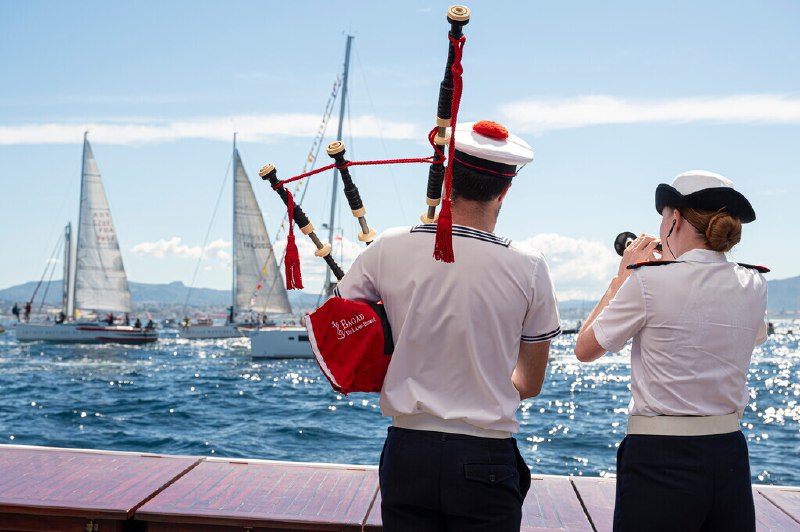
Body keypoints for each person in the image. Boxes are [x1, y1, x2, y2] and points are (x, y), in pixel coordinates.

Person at [334, 120, 561, 531]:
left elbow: (341, 321)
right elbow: (529, 383)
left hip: (408, 453)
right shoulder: (529, 266)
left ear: (447, 178)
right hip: (485, 458)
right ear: (505, 190)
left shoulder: (389, 246)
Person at [574, 170, 767, 532]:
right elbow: (750, 336)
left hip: (660, 455)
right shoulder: (754, 283)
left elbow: (584, 349)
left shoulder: (648, 281)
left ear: (675, 217)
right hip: (729, 453)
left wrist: (622, 277)